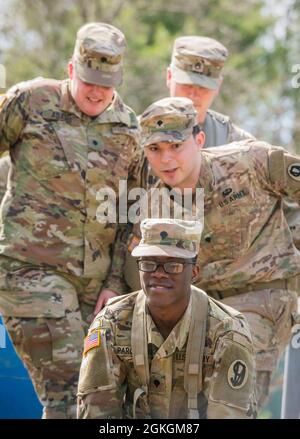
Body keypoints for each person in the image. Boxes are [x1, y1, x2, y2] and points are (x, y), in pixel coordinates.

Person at [114, 97, 299, 410]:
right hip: (203, 311)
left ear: (199, 140)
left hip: (264, 296)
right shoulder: (153, 208)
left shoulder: (251, 161)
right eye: (155, 149)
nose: (166, 159)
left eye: (176, 146)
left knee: (231, 395)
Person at [0, 22, 139, 418]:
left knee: (89, 400)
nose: (95, 92)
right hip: (30, 272)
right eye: (88, 80)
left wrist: (114, 282)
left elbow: (130, 217)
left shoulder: (129, 130)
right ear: (70, 69)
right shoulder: (30, 102)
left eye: (106, 83)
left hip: (92, 289)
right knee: (71, 392)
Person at [77, 218, 256, 419]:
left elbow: (230, 415)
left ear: (194, 272)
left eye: (173, 265)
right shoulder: (111, 324)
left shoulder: (227, 332)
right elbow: (97, 414)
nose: (159, 274)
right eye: (149, 263)